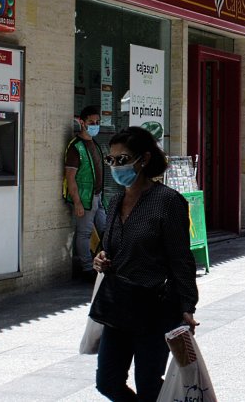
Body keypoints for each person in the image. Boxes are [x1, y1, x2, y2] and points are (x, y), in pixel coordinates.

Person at [90, 126, 199, 401]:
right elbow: (109, 245)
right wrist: (101, 258)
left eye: (122, 159)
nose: (115, 166)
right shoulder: (115, 201)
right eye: (111, 160)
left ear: (144, 159)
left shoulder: (168, 202)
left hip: (155, 309)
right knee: (107, 382)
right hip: (118, 307)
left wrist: (187, 306)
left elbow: (181, 258)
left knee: (149, 384)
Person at [64, 105, 113, 280]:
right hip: (85, 199)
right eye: (91, 122)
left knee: (107, 229)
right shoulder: (75, 147)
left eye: (97, 122)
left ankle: (106, 263)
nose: (95, 125)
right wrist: (77, 202)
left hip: (98, 197)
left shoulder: (94, 144)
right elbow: (70, 178)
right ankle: (86, 269)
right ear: (81, 122)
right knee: (84, 232)